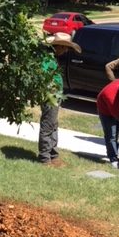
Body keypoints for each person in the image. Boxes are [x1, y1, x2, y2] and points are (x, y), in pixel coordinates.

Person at [39, 32, 82, 166]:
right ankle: (45, 157)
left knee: (53, 125)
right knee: (48, 125)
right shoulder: (47, 60)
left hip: (55, 96)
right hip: (50, 97)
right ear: (58, 47)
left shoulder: (54, 59)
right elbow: (43, 78)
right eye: (64, 48)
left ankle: (53, 153)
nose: (65, 51)